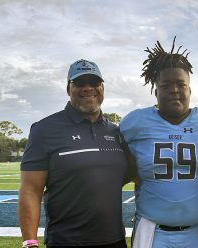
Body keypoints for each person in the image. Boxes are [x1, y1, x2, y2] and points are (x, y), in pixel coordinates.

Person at [119, 37, 198, 248]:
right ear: (155, 91)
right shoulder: (135, 123)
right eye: (166, 85)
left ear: (190, 90)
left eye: (181, 84)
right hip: (152, 229)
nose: (174, 90)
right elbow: (120, 168)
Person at [19, 59, 131, 248]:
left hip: (115, 241)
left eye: (94, 82)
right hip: (66, 241)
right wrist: (30, 242)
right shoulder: (44, 129)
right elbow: (30, 190)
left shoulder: (116, 131)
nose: (88, 88)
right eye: (80, 83)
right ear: (68, 88)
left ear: (102, 87)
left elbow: (124, 175)